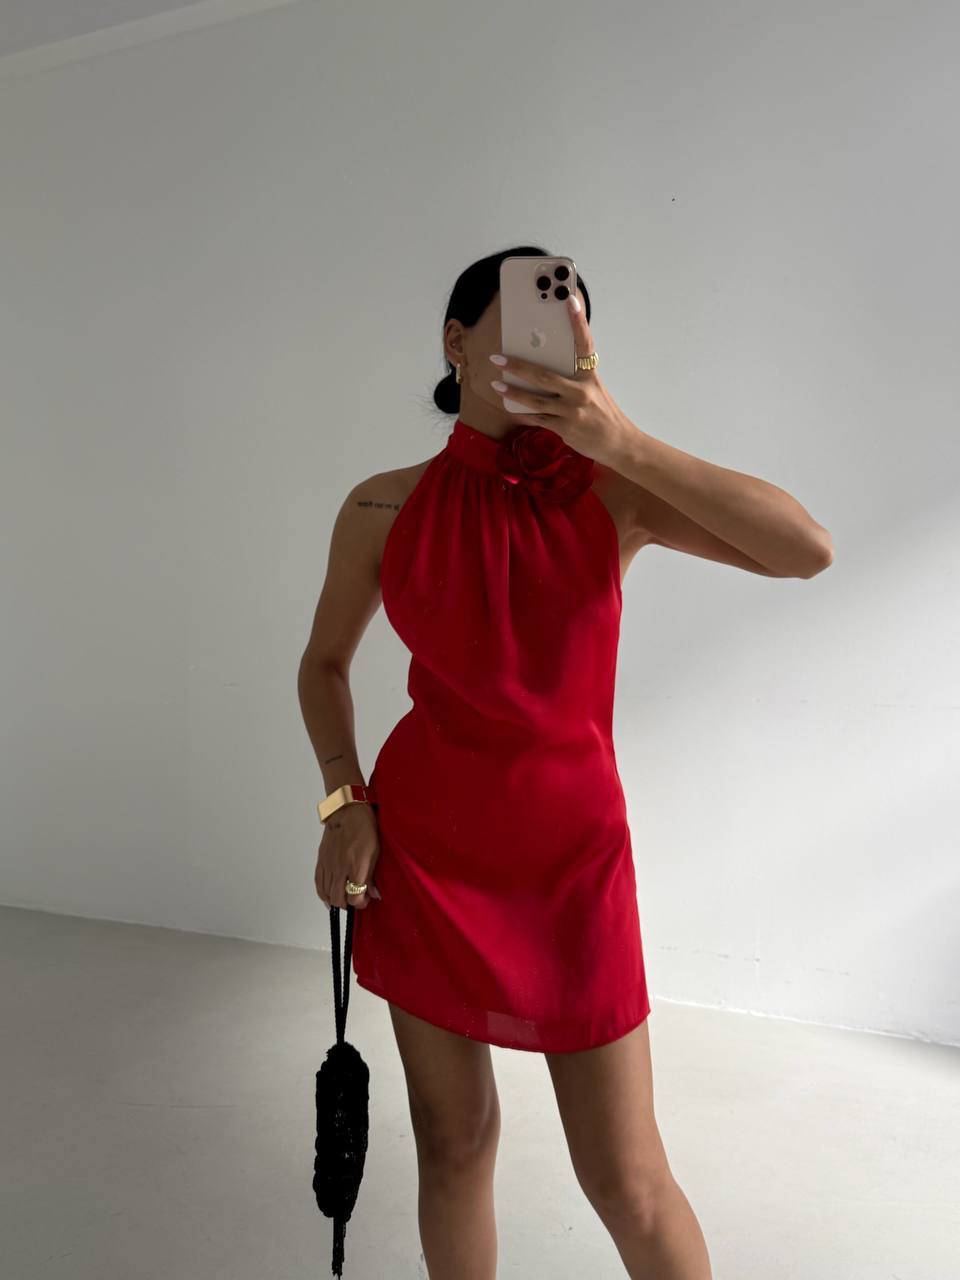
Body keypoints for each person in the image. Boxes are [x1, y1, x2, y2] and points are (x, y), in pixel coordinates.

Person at [297, 244, 833, 1279]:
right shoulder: (381, 507)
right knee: (454, 1144)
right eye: (536, 322)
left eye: (577, 329)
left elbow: (805, 549)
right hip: (426, 857)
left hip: (571, 868)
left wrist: (621, 439)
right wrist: (343, 800)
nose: (562, 346)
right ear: (456, 343)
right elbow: (323, 664)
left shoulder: (612, 492)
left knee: (627, 1180)